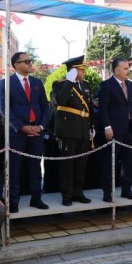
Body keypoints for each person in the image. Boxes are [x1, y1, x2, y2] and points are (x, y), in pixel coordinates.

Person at [0, 51, 50, 213]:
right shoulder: (6, 83)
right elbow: (4, 109)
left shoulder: (37, 82)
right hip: (17, 133)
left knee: (35, 167)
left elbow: (45, 107)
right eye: (26, 61)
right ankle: (13, 201)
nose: (30, 63)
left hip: (37, 131)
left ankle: (36, 198)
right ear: (16, 65)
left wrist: (40, 127)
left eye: (30, 60)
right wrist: (22, 127)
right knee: (14, 168)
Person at [98, 58, 132, 202]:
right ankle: (108, 192)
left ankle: (126, 190)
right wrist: (107, 126)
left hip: (129, 129)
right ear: (116, 70)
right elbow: (103, 108)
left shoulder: (130, 85)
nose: (128, 71)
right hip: (114, 129)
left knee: (129, 161)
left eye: (128, 68)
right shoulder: (106, 85)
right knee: (111, 162)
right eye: (125, 68)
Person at [53, 56, 94, 206]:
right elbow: (61, 100)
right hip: (68, 130)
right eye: (81, 70)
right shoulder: (60, 84)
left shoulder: (86, 85)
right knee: (67, 165)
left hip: (83, 129)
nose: (84, 72)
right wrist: (69, 81)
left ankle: (78, 192)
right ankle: (67, 195)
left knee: (80, 164)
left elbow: (89, 108)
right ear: (73, 71)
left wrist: (92, 126)